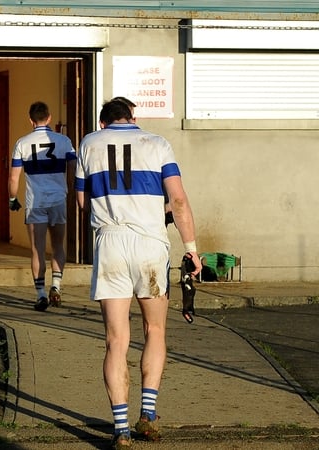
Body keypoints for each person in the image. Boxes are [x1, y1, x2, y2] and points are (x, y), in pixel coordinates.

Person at [75, 99, 201, 449]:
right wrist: (191, 248)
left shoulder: (88, 143)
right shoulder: (158, 144)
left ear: (103, 122)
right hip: (150, 244)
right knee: (155, 329)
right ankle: (147, 414)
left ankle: (121, 430)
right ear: (134, 117)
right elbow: (178, 201)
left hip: (110, 243)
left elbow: (83, 202)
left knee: (116, 340)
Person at [8, 101, 77, 312]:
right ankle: (56, 286)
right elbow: (74, 171)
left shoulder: (22, 143)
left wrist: (12, 199)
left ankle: (40, 294)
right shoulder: (64, 141)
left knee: (37, 249)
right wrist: (73, 194)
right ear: (49, 117)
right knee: (57, 245)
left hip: (35, 202)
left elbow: (13, 178)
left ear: (30, 120)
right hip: (58, 199)